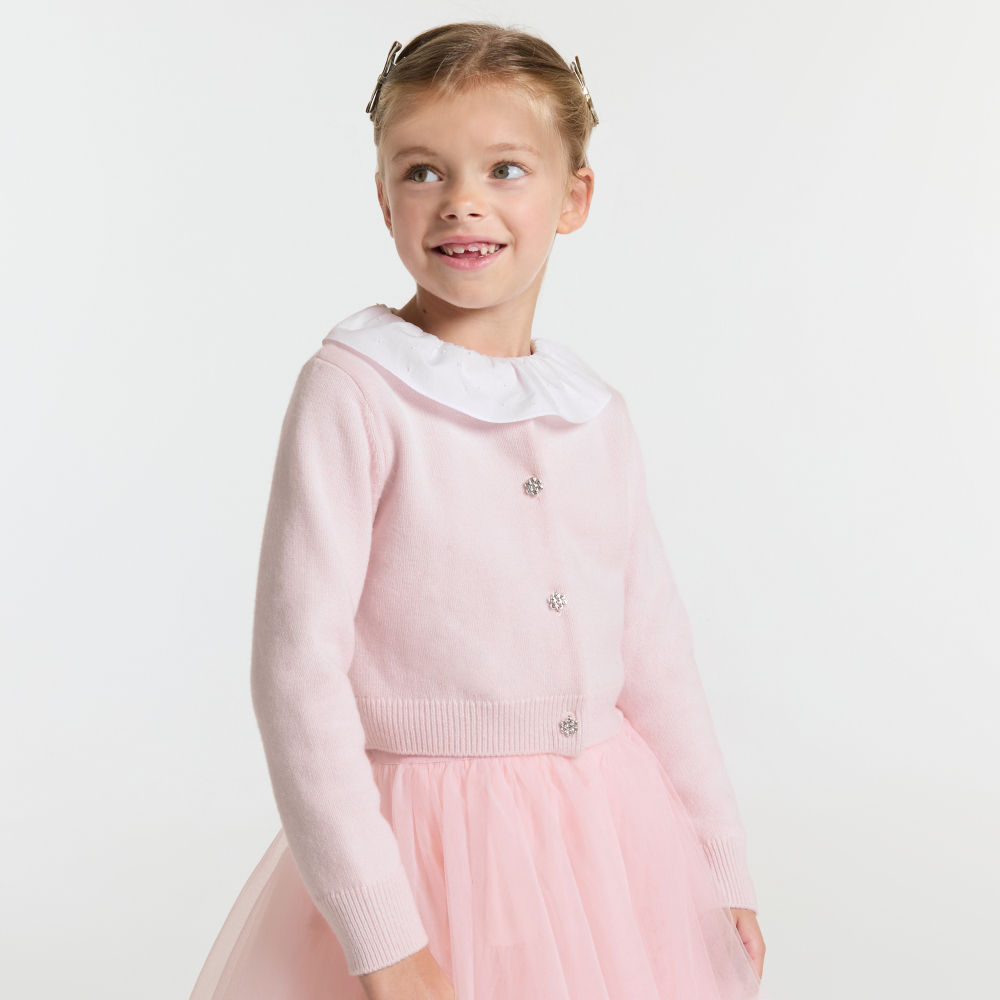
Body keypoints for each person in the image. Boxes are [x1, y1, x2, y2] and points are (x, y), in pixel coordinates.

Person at [190, 22, 767, 1000]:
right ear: (384, 198)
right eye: (423, 172)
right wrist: (380, 933)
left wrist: (718, 864)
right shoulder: (356, 392)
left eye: (505, 169)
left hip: (606, 844)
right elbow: (298, 675)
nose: (462, 200)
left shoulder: (594, 413)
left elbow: (658, 655)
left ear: (572, 197)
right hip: (428, 844)